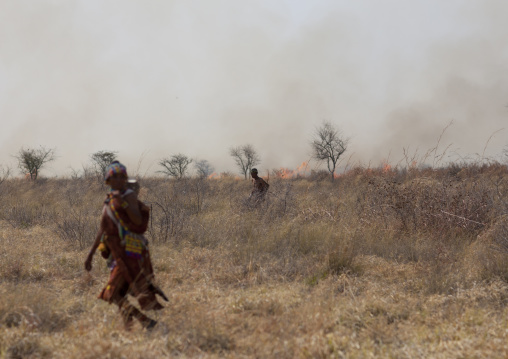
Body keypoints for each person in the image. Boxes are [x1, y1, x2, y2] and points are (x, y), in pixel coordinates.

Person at [84, 161, 164, 330]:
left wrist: (125, 204)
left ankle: (147, 322)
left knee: (113, 293)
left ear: (125, 179)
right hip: (117, 252)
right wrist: (90, 255)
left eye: (122, 177)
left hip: (131, 253)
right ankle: (130, 328)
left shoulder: (128, 196)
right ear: (108, 179)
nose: (118, 180)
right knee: (118, 294)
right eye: (115, 177)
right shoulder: (110, 199)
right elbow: (103, 228)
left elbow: (137, 220)